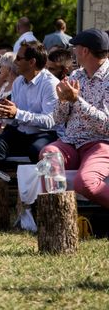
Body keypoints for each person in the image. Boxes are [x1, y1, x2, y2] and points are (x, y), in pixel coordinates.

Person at [40, 28, 109, 208]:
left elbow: (106, 126)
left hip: (100, 143)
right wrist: (63, 101)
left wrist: (76, 100)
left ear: (85, 51)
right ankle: (59, 214)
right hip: (71, 142)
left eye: (75, 48)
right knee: (48, 155)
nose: (73, 52)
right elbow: (57, 118)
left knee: (85, 183)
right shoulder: (77, 75)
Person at [0, 41, 59, 168]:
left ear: (32, 62)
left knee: (37, 151)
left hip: (44, 134)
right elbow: (15, 118)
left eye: (19, 58)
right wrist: (6, 113)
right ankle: (3, 180)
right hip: (21, 133)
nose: (15, 62)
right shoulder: (18, 82)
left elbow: (50, 121)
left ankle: (28, 184)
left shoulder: (50, 84)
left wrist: (17, 113)